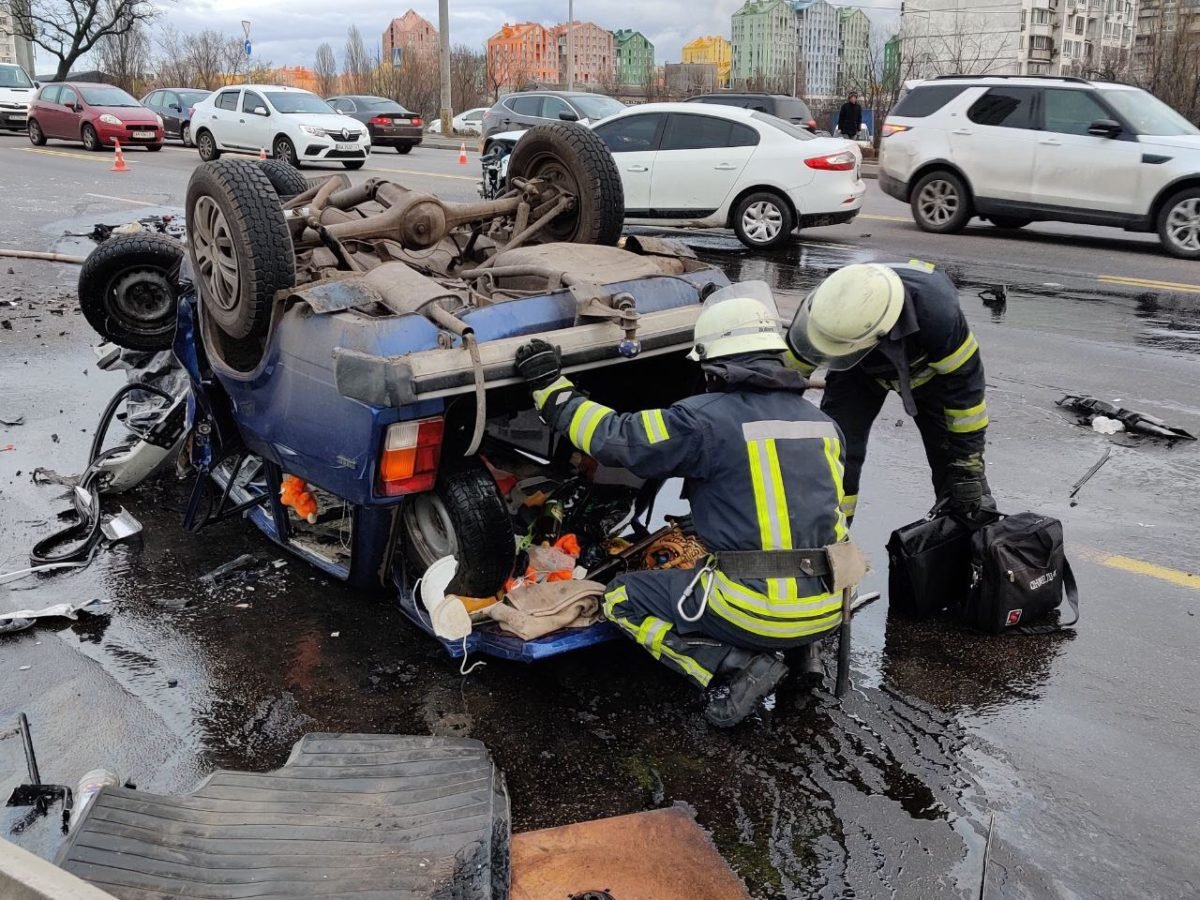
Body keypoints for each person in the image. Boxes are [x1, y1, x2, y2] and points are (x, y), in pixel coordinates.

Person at [515, 284, 861, 728]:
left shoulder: (702, 420)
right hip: (828, 607)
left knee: (621, 597)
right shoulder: (823, 424)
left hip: (756, 613)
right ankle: (803, 657)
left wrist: (551, 390)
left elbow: (614, 438)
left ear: (713, 366)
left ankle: (731, 664)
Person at [785, 261, 991, 525]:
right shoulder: (827, 310)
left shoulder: (937, 314)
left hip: (929, 378)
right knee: (836, 453)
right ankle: (831, 538)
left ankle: (965, 539)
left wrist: (968, 465)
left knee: (955, 469)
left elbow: (966, 400)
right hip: (856, 369)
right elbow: (785, 375)